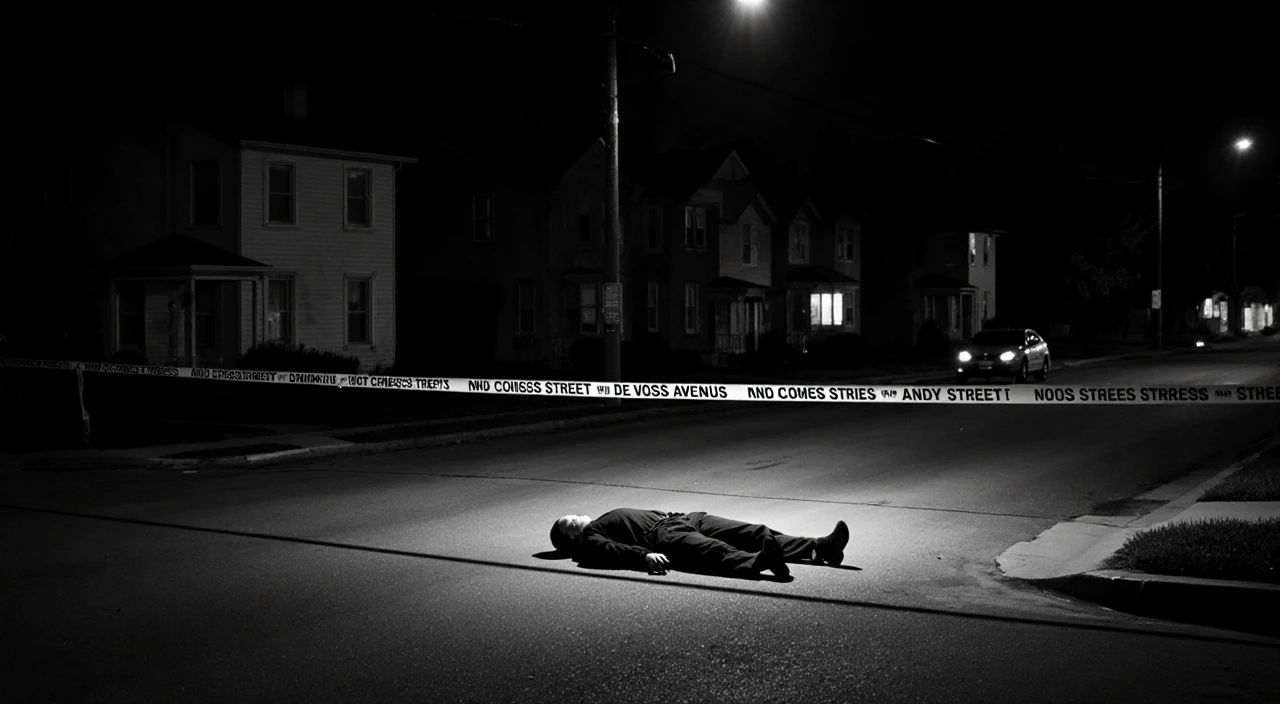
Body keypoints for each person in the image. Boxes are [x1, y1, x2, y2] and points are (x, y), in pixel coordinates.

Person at [550, 509, 850, 578]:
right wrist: (644, 557)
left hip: (683, 518)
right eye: (572, 522)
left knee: (754, 531)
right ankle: (761, 562)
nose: (578, 517)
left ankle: (821, 547)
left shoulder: (594, 527)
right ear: (571, 541)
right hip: (662, 536)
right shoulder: (591, 539)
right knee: (713, 551)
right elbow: (612, 551)